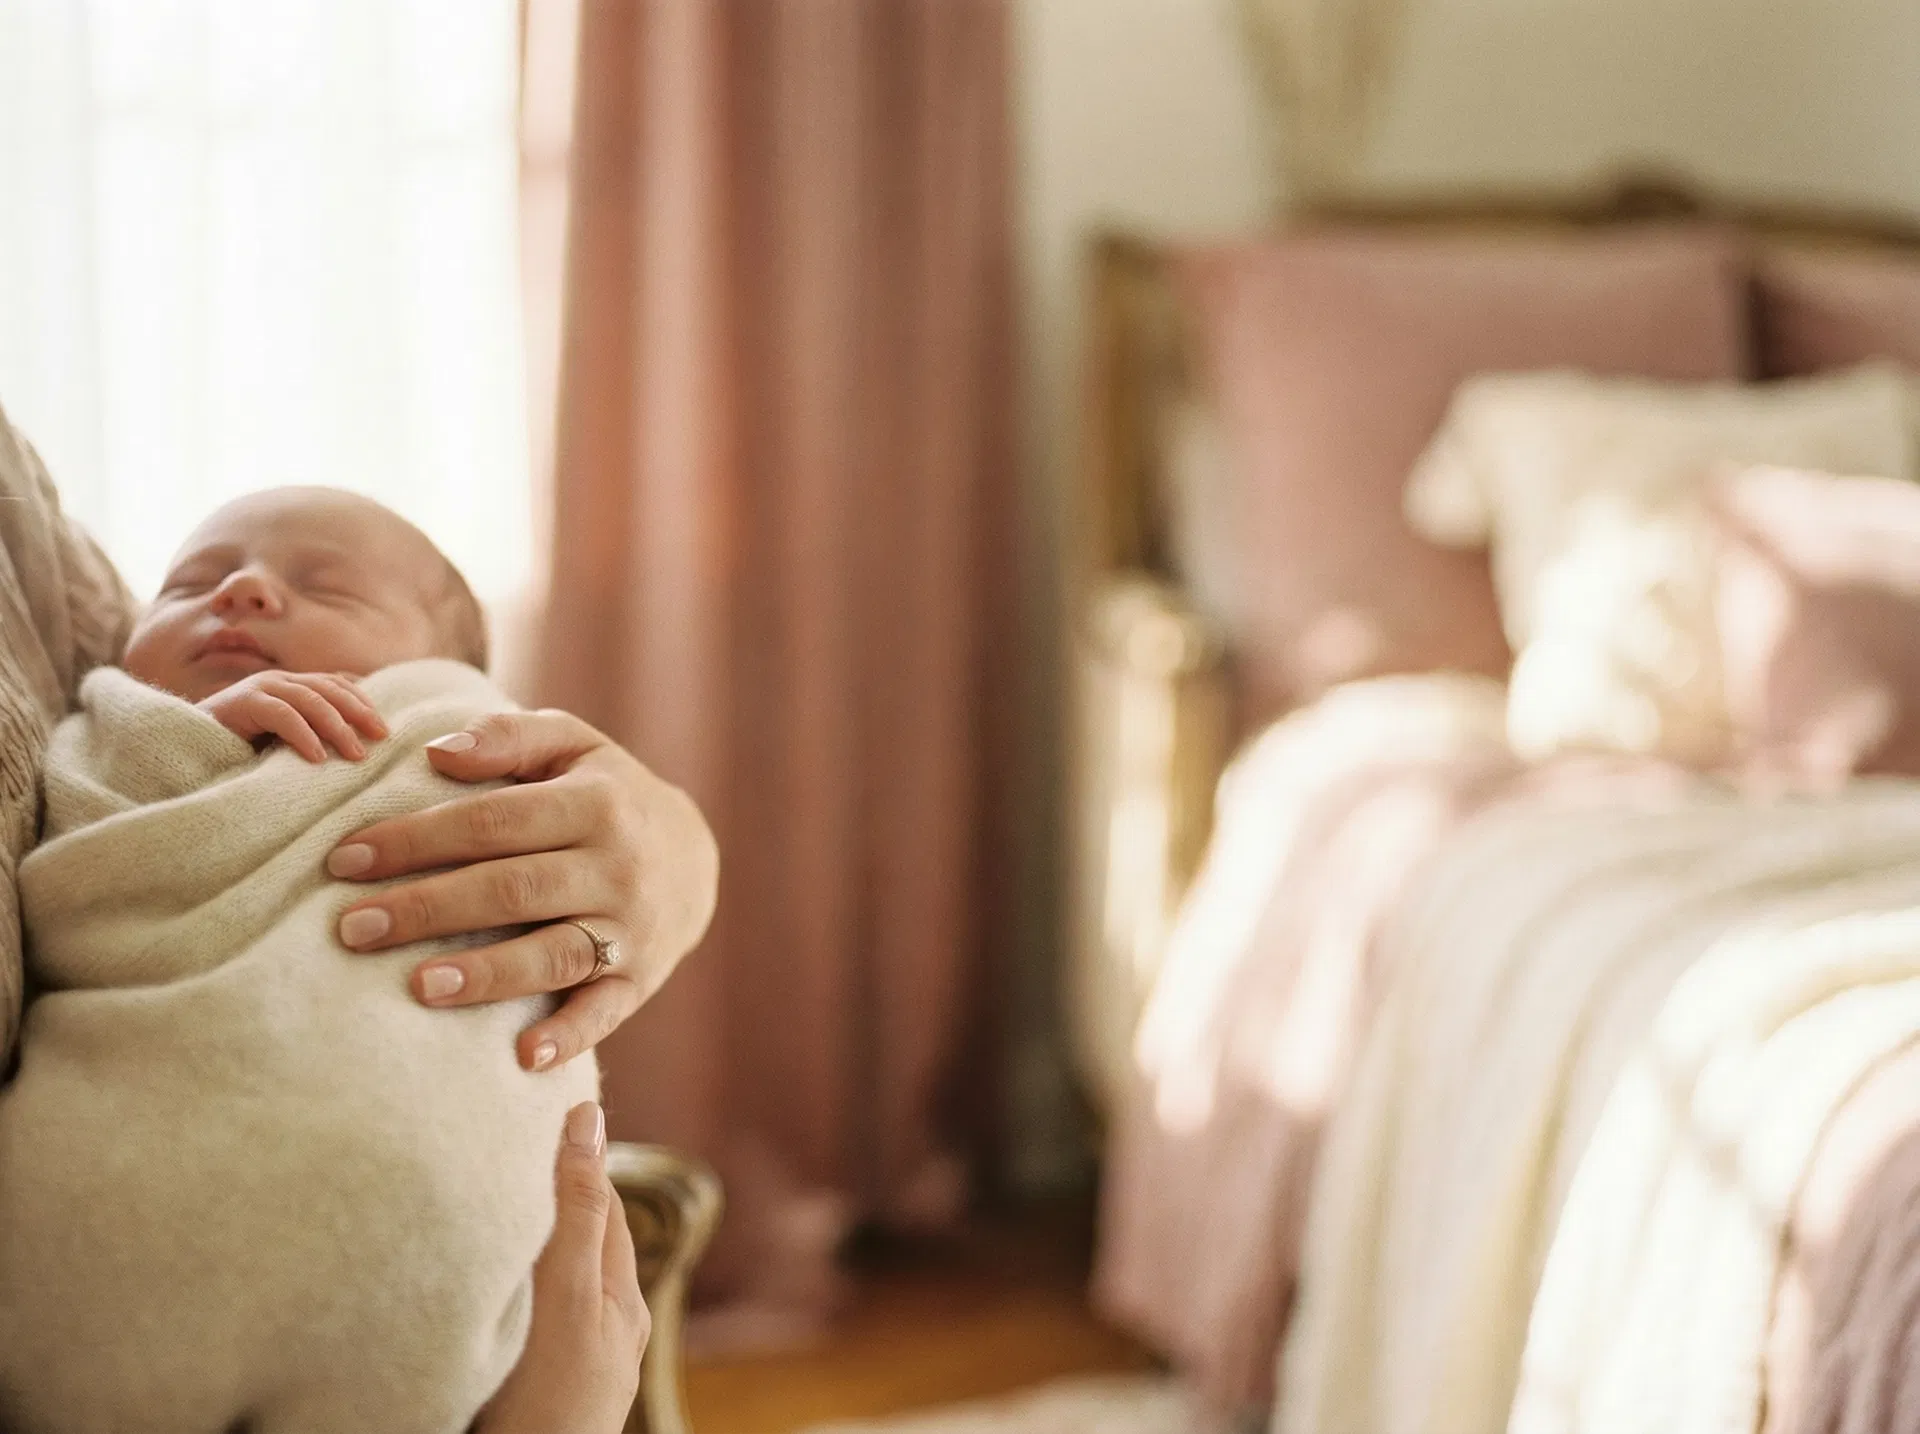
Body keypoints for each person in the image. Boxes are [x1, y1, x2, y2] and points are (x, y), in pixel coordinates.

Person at [0, 408, 717, 1434]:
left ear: (447, 664)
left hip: (440, 1231)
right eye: (188, 586)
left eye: (328, 588)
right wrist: (172, 746)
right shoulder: (110, 736)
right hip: (135, 1190)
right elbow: (81, 877)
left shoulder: (453, 732)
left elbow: (584, 856)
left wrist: (681, 845)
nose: (242, 591)